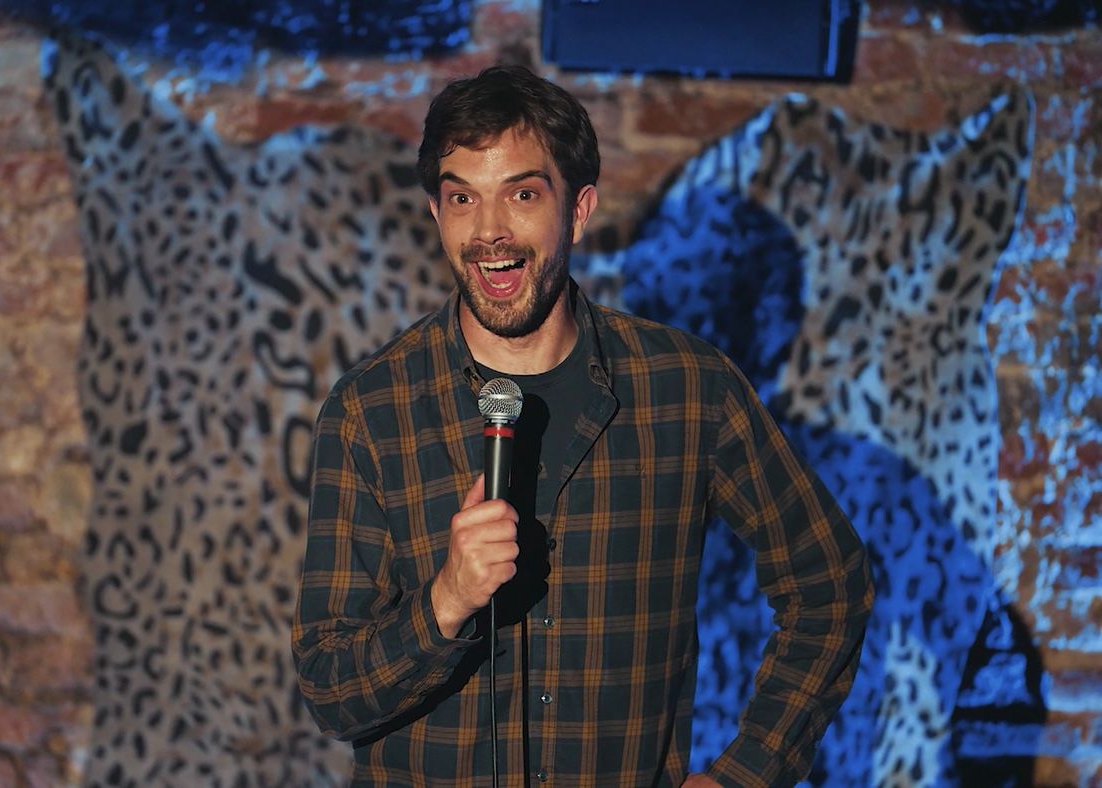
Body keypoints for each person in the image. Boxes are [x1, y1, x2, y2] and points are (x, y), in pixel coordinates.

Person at [292, 64, 873, 787]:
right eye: (463, 198)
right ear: (437, 214)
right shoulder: (371, 410)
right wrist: (446, 602)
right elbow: (330, 690)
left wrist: (747, 774)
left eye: (522, 194)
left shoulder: (687, 388)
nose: (489, 230)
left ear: (577, 209)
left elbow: (830, 585)